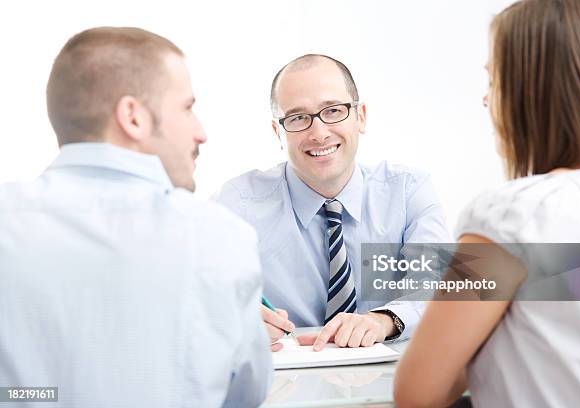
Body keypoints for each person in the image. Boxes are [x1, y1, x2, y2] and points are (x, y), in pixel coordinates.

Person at [0, 27, 271, 407]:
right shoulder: (220, 237)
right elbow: (244, 397)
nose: (201, 133)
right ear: (133, 117)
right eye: (187, 107)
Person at [394, 0, 580, 406]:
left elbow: (417, 391)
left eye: (493, 81)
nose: (485, 100)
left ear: (527, 92)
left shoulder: (512, 215)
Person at [215, 54, 451, 350]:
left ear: (360, 116)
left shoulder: (408, 191)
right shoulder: (238, 204)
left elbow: (442, 287)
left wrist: (383, 320)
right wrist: (230, 319)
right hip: (288, 384)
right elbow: (196, 296)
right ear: (279, 131)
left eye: (333, 111)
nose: (319, 133)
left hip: (390, 379)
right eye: (298, 118)